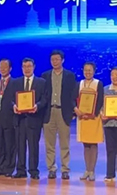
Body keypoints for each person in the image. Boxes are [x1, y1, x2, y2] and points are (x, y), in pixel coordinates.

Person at [41, 49, 76, 180]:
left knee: (64, 143)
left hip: (63, 112)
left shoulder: (69, 76)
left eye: (57, 59)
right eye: (52, 59)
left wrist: (73, 111)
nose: (54, 62)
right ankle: (51, 168)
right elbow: (43, 95)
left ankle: (65, 169)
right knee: (49, 144)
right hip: (49, 112)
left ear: (62, 60)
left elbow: (73, 95)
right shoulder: (45, 76)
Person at [13, 57, 47, 180]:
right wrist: (14, 106)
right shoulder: (16, 82)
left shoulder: (41, 82)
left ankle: (33, 171)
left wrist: (37, 106)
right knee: (20, 146)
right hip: (20, 119)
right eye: (24, 67)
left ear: (34, 67)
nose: (27, 69)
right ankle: (20, 170)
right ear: (21, 68)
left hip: (34, 119)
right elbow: (11, 99)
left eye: (29, 66)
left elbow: (44, 99)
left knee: (33, 146)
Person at [74, 62, 104, 181]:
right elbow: (73, 99)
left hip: (94, 118)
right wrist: (76, 110)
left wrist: (92, 113)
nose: (88, 72)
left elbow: (100, 100)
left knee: (93, 144)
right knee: (85, 144)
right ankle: (87, 170)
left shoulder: (98, 84)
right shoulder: (79, 84)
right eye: (85, 70)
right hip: (82, 118)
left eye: (90, 70)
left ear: (94, 71)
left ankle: (92, 171)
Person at [0, 58, 17, 177]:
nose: (2, 69)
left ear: (10, 68)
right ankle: (0, 168)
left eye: (5, 67)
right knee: (0, 144)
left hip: (10, 118)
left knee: (10, 144)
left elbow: (16, 100)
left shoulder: (15, 83)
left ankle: (9, 168)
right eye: (0, 67)